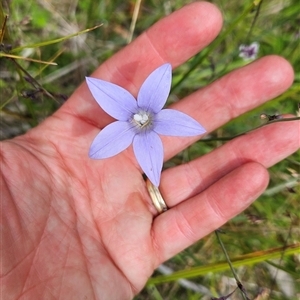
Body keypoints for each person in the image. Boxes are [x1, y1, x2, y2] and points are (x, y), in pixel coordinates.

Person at [1, 2, 298, 299]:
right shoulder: (118, 125)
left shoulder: (156, 113)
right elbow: (103, 121)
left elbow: (170, 106)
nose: (141, 119)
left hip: (151, 119)